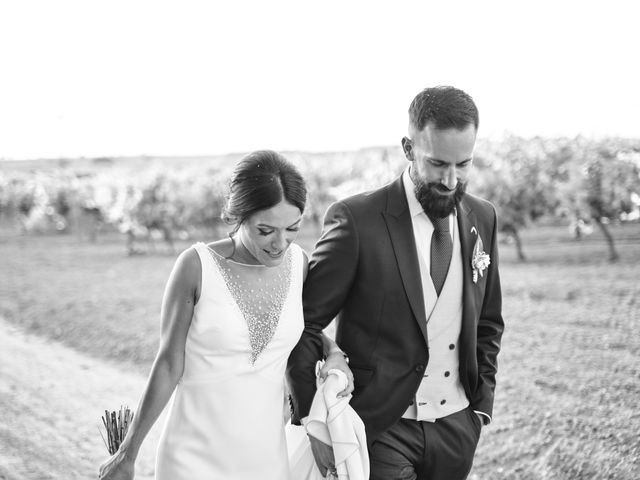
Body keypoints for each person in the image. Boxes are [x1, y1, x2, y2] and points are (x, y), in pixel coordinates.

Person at [287, 86, 505, 480]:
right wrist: (311, 419)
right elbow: (304, 323)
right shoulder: (357, 220)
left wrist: (480, 406)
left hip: (457, 427)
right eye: (437, 164)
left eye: (464, 164)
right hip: (381, 427)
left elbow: (488, 321)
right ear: (408, 148)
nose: (451, 181)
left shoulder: (482, 217)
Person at [98, 150, 352, 480]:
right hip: (191, 458)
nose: (280, 243)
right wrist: (127, 453)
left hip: (266, 459)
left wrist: (333, 353)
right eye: (265, 230)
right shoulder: (196, 266)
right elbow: (168, 363)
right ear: (239, 215)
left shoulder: (298, 265)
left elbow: (301, 332)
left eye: (292, 228)